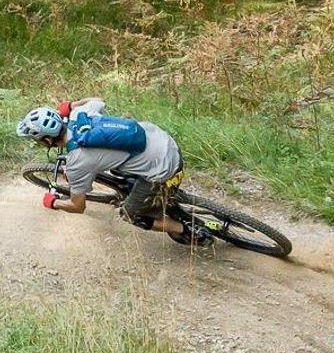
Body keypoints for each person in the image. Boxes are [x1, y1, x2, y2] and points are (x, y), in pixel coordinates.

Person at [15, 97, 211, 246]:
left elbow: (78, 206)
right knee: (118, 168)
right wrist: (72, 105)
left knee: (130, 215)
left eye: (37, 140)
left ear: (47, 140)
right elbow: (99, 100)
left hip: (164, 170)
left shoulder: (76, 162)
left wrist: (53, 202)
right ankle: (148, 191)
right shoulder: (79, 113)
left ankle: (184, 229)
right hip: (165, 142)